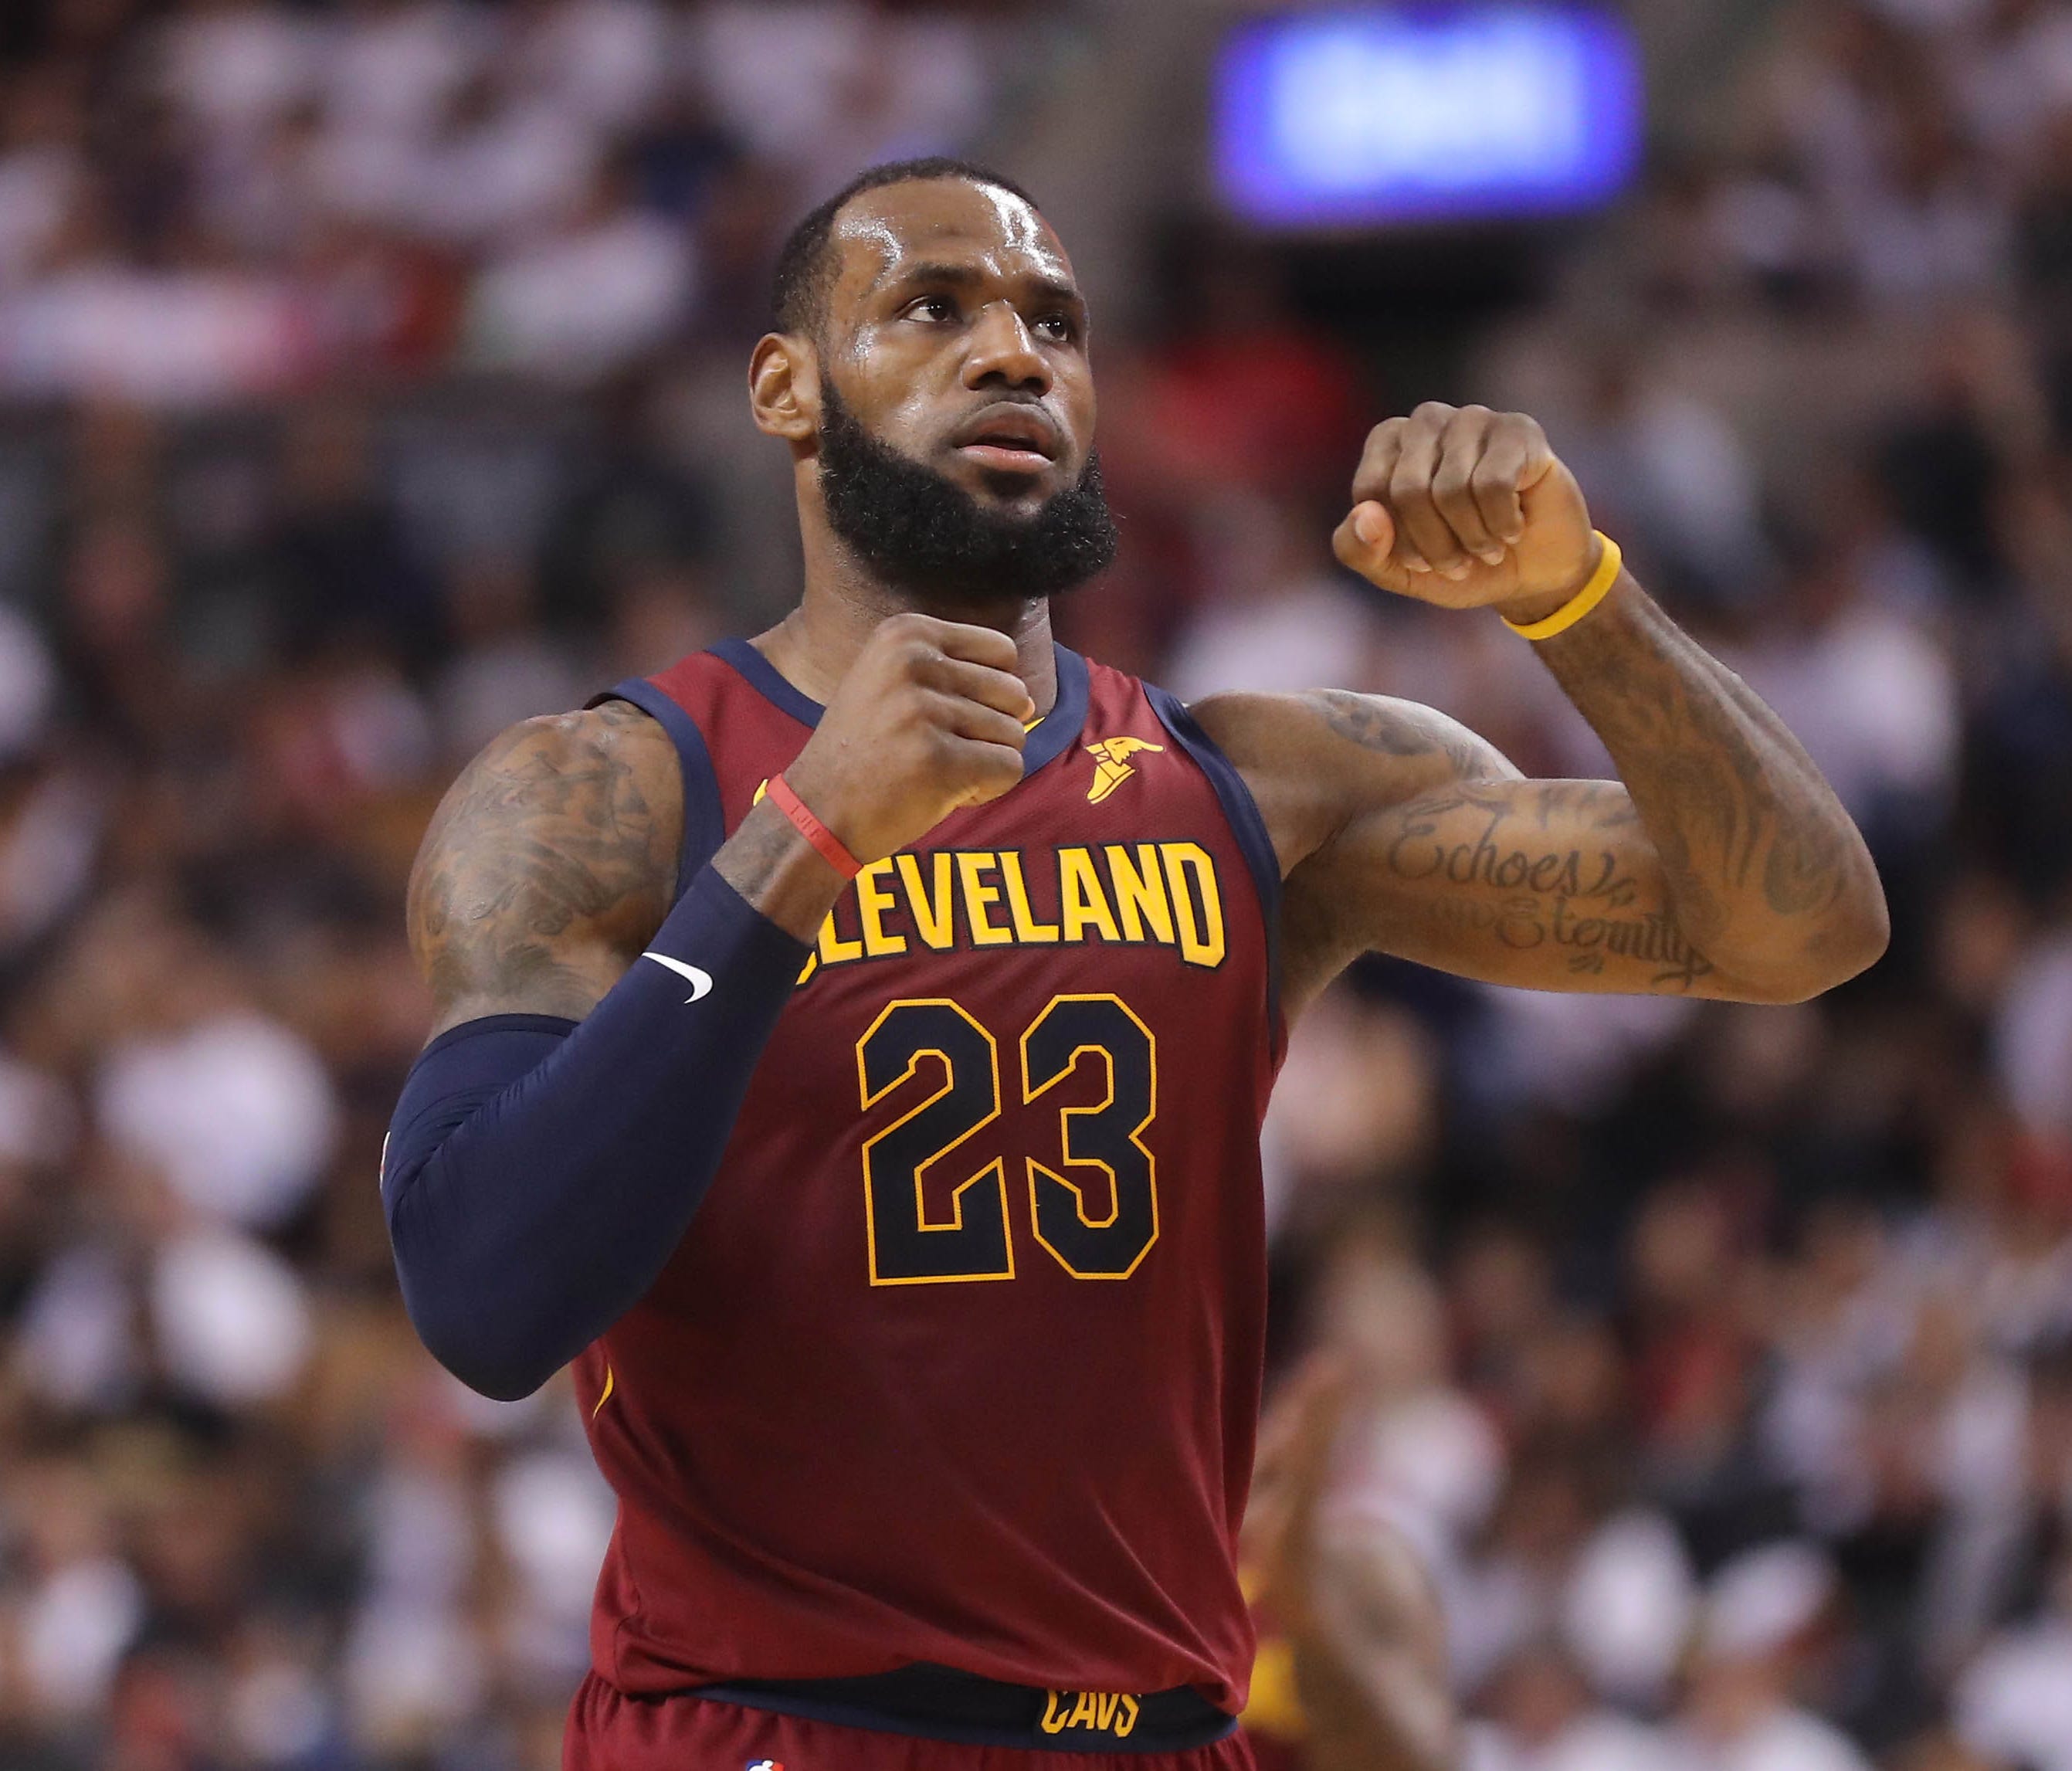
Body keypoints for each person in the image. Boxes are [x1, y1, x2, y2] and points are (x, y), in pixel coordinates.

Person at [381, 158, 1888, 1770]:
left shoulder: (1255, 783)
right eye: (931, 307)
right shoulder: (613, 792)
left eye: (1055, 321)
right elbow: (483, 1294)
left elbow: (1803, 925)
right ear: (785, 389)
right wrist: (797, 845)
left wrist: (1577, 600)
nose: (1013, 352)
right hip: (778, 1726)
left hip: (1164, 1733)